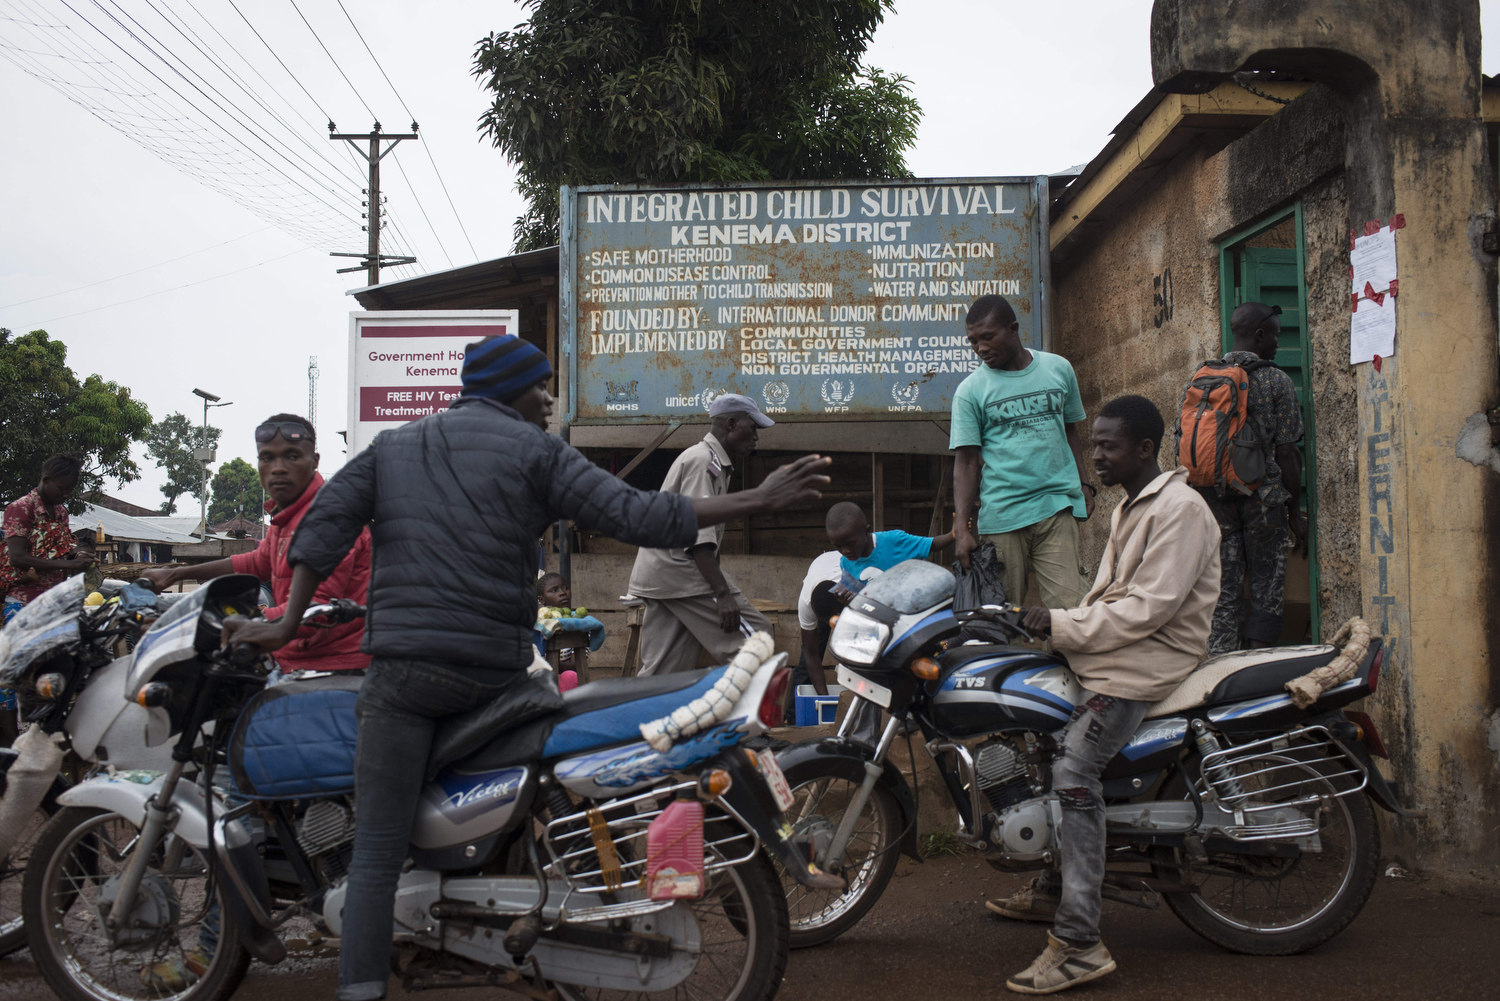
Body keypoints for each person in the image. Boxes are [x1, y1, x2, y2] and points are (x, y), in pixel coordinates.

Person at [222, 335, 831, 1001]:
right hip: (496, 676)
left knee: (372, 859)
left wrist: (283, 621)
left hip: (403, 681)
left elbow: (325, 525)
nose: (549, 402)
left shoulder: (395, 447)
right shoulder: (537, 450)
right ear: (513, 388)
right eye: (543, 387)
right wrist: (758, 500)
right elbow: (640, 514)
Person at [992, 395, 1220, 996]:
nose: (1094, 455)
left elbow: (1148, 610)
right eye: (1093, 444)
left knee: (1073, 770)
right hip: (1120, 649)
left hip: (1147, 661)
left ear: (1144, 449)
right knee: (1036, 733)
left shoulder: (1181, 510)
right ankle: (1052, 888)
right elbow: (1108, 599)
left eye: (1107, 445)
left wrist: (1063, 626)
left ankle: (1080, 942)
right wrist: (1049, 627)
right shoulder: (1130, 508)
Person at [140, 414, 371, 674]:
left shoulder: (329, 519)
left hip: (333, 668)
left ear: (314, 461)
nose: (278, 467)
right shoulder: (289, 515)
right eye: (267, 458)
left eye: (292, 456)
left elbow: (315, 611)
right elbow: (257, 562)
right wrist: (174, 574)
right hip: (295, 659)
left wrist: (204, 623)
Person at [1176, 301, 1305, 653]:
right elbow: (1288, 452)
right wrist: (1295, 513)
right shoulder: (1275, 379)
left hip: (1214, 499)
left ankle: (1221, 666)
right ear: (1260, 335)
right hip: (1263, 502)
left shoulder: (1202, 377)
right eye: (1276, 335)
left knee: (1223, 587)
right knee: (1266, 584)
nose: (1278, 342)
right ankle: (1257, 665)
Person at [950, 294, 1095, 609]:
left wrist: (1084, 484)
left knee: (1071, 614)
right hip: (1002, 518)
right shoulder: (970, 391)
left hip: (1057, 508)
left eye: (988, 337)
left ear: (1013, 329)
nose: (981, 349)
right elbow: (966, 463)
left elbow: (1069, 429)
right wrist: (962, 528)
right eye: (973, 342)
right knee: (1002, 618)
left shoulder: (1059, 368)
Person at [626, 393, 778, 676]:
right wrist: (722, 594)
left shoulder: (712, 462)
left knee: (663, 672)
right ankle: (742, 718)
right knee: (758, 641)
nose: (756, 437)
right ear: (731, 424)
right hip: (680, 570)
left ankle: (636, 720)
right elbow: (698, 538)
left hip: (660, 575)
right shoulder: (703, 461)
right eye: (752, 427)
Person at [2, 454, 94, 724]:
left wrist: (78, 555)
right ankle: (9, 741)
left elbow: (64, 547)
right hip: (23, 604)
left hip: (54, 603)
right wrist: (62, 564)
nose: (65, 495)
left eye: (69, 490)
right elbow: (17, 557)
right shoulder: (20, 508)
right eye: (62, 488)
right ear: (45, 480)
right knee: (13, 678)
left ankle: (44, 732)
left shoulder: (61, 512)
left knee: (56, 673)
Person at [824, 502, 954, 601]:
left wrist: (953, 534)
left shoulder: (894, 541)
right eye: (838, 547)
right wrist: (847, 601)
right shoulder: (845, 564)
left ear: (866, 531)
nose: (845, 551)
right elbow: (859, 601)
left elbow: (932, 544)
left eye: (851, 544)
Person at [792, 551, 843, 701]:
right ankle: (794, 717)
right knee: (807, 662)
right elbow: (811, 653)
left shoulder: (855, 589)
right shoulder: (806, 604)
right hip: (822, 567)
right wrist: (824, 699)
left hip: (843, 590)